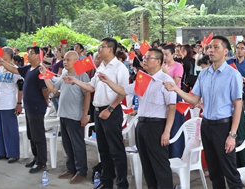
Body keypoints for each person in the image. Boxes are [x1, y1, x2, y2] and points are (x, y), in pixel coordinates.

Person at [164, 35, 244, 189]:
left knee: (230, 171)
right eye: (210, 47)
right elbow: (194, 99)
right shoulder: (204, 74)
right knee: (214, 172)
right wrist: (176, 89)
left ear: (226, 51)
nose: (211, 50)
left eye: (216, 47)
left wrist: (232, 135)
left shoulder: (232, 75)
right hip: (206, 125)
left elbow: (238, 106)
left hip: (224, 126)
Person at [99, 47, 176, 189]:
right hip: (142, 124)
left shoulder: (166, 81)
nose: (144, 60)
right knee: (146, 163)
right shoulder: (143, 79)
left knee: (160, 164)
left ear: (158, 61)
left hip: (157, 125)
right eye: (145, 57)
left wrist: (167, 131)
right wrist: (108, 81)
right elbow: (123, 90)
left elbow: (172, 107)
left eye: (148, 58)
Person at [64, 37, 129, 189]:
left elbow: (124, 91)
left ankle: (122, 183)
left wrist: (110, 109)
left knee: (116, 150)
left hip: (111, 111)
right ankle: (106, 181)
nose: (99, 49)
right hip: (99, 111)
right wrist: (74, 80)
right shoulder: (101, 67)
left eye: (102, 47)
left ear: (110, 49)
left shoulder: (120, 68)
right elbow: (91, 87)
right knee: (103, 149)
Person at [40, 51, 90, 185]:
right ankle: (71, 168)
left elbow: (87, 95)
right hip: (63, 114)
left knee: (77, 144)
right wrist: (45, 75)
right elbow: (53, 89)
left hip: (75, 115)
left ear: (76, 61)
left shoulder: (82, 76)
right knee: (67, 144)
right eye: (65, 60)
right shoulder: (64, 75)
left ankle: (81, 171)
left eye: (68, 60)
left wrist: (84, 114)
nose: (65, 62)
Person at [0, 46, 49, 173]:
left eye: (30, 53)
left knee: (38, 135)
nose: (28, 55)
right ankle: (36, 157)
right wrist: (2, 61)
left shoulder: (40, 70)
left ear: (38, 55)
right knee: (31, 134)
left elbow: (45, 89)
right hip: (29, 107)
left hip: (37, 107)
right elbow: (14, 70)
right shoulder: (28, 68)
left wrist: (45, 101)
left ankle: (42, 161)